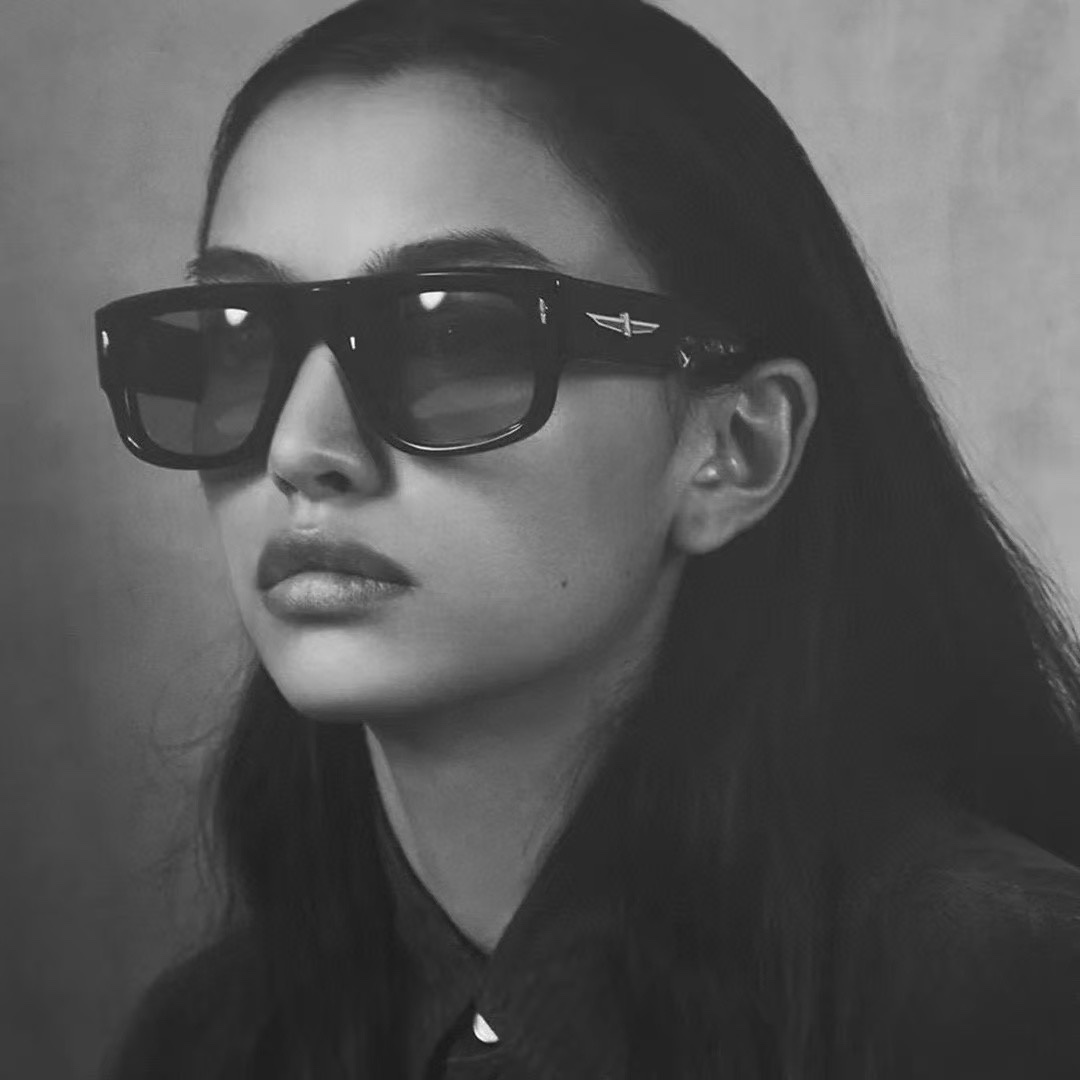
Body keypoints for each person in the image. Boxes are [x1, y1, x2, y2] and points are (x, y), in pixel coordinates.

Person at [94, 0, 1080, 1076]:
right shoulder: (203, 1043)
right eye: (235, 339)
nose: (301, 449)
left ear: (735, 447)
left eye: (458, 339)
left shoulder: (1003, 991)